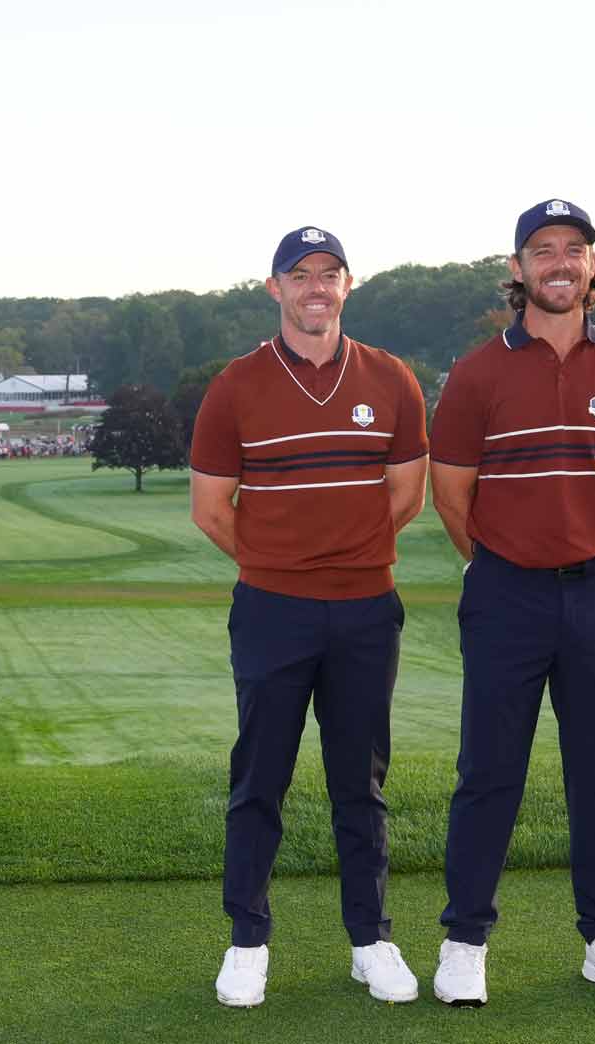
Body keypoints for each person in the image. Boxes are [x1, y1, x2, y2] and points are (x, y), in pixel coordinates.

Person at [427, 200, 595, 1007]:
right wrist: (506, 564)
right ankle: (465, 940)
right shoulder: (478, 370)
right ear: (519, 268)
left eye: (574, 250)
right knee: (488, 772)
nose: (559, 263)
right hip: (506, 595)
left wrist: (586, 544)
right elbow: (452, 494)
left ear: (592, 268)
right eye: (543, 250)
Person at [188, 227, 428, 1008]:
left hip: (365, 609)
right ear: (275, 288)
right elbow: (210, 508)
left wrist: (346, 557)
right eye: (301, 274)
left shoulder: (391, 379)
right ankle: (247, 941)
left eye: (330, 273)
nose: (315, 287)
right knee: (259, 779)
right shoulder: (236, 384)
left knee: (360, 784)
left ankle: (371, 939)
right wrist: (280, 564)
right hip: (272, 609)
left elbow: (407, 495)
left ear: (348, 286)